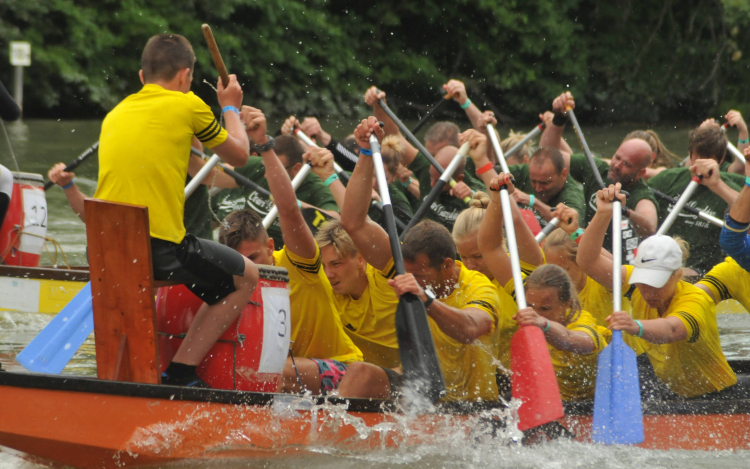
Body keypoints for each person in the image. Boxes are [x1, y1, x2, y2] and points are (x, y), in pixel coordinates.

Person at [82, 34, 259, 387]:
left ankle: (126, 379)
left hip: (100, 250)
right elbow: (240, 154)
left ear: (141, 76)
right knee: (248, 277)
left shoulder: (115, 114)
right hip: (155, 251)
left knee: (138, 279)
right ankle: (180, 374)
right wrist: (230, 108)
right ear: (184, 77)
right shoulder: (188, 104)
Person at [336, 116, 501, 402]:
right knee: (361, 373)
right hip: (421, 389)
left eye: (421, 277)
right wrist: (364, 153)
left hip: (470, 407)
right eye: (412, 277)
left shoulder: (478, 288)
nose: (413, 281)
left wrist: (425, 300)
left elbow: (470, 329)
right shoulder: (403, 267)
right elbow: (353, 223)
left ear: (447, 266)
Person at [218, 109, 363, 395]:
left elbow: (289, 211)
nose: (246, 268)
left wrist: (263, 145)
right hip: (284, 375)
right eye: (238, 262)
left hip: (343, 372)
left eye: (253, 259)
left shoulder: (297, 265)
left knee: (269, 369)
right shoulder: (230, 279)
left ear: (270, 247)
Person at [577, 183, 738, 399]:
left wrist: (635, 326)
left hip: (718, 396)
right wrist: (603, 214)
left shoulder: (695, 299)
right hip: (674, 391)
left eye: (657, 282)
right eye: (644, 281)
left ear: (678, 274)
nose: (648, 291)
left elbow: (672, 330)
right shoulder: (635, 281)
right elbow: (587, 261)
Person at [540, 92, 658, 263]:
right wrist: (559, 119)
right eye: (617, 158)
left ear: (640, 173)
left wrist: (623, 209)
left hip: (618, 265)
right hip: (588, 254)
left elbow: (649, 226)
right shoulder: (596, 169)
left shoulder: (641, 194)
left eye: (626, 164)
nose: (617, 165)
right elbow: (547, 155)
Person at [363, 87, 482, 232]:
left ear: (460, 179)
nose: (431, 184)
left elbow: (497, 208)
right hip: (419, 245)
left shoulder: (475, 187)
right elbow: (393, 134)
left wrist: (473, 196)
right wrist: (379, 103)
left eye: (438, 181)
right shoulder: (428, 167)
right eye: (431, 177)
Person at [211, 134, 340, 249]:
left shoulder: (315, 186)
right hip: (246, 247)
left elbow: (335, 220)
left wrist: (295, 205)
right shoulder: (259, 166)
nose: (267, 174)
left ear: (296, 169)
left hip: (287, 253)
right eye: (267, 166)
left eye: (277, 169)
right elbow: (208, 173)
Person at [648, 123, 744, 277]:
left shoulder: (733, 186)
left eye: (708, 158)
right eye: (698, 157)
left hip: (706, 272)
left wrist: (717, 185)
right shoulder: (667, 180)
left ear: (720, 161)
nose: (701, 164)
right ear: (689, 154)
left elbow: (746, 213)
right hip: (662, 264)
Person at [314, 220, 401, 371]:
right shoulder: (326, 289)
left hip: (415, 373)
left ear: (361, 259)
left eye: (336, 264)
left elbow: (358, 219)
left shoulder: (386, 279)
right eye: (324, 266)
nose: (328, 274)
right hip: (365, 375)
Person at [518, 264, 609, 401]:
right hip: (557, 401)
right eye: (530, 306)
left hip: (598, 401)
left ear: (567, 304)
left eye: (545, 308)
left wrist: (544, 324)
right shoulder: (528, 310)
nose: (535, 314)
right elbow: (492, 250)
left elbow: (568, 340)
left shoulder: (581, 320)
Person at [541, 204, 630, 327]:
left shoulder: (602, 280)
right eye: (552, 270)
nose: (556, 278)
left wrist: (574, 232)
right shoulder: (553, 291)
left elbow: (614, 266)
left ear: (581, 262)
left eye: (564, 270)